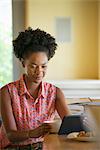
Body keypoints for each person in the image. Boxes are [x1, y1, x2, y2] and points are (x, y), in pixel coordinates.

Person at [0, 27, 70, 149]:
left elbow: (70, 126)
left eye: (44, 66)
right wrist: (32, 133)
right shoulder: (7, 92)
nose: (39, 72)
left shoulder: (55, 93)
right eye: (33, 66)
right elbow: (11, 135)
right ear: (23, 63)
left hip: (44, 147)